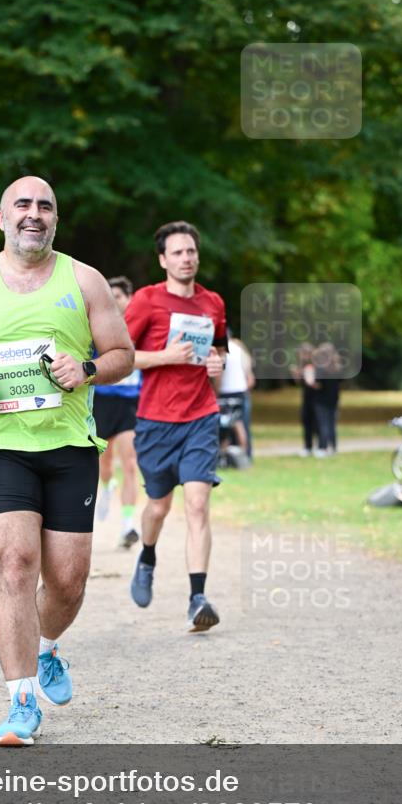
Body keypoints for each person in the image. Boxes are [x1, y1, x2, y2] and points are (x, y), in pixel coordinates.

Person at [0, 176, 134, 746]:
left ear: (55, 219)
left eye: (45, 206)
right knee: (15, 565)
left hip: (69, 446)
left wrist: (86, 369)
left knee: (67, 581)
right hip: (2, 446)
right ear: (2, 218)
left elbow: (123, 354)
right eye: (23, 204)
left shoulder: (84, 280)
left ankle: (46, 648)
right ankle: (20, 702)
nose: (34, 214)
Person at [125, 220, 227, 632]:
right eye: (178, 253)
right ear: (163, 260)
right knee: (159, 507)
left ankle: (197, 598)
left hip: (201, 415)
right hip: (155, 421)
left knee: (198, 504)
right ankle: (147, 555)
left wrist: (218, 362)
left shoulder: (213, 303)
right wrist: (164, 357)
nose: (186, 258)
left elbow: (219, 348)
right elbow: (120, 356)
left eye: (191, 251)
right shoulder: (146, 301)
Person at [94, 275, 142, 548]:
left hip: (129, 403)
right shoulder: (97, 326)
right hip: (102, 402)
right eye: (109, 297)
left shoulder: (141, 326)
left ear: (129, 298)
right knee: (104, 463)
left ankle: (127, 525)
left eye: (119, 296)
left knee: (130, 463)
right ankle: (107, 486)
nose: (114, 301)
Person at [216, 330, 254, 459]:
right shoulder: (240, 349)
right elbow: (250, 378)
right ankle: (245, 455)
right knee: (242, 424)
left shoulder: (221, 351)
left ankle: (225, 455)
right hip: (241, 391)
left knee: (228, 426)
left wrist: (216, 392)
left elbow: (218, 375)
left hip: (226, 392)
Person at [312, 343, 341, 457]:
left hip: (321, 400)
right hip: (334, 399)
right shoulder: (337, 368)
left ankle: (323, 448)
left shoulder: (321, 368)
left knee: (322, 424)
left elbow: (317, 384)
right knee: (331, 424)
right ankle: (333, 447)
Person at [291, 342, 318, 456]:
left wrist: (303, 373)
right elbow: (300, 383)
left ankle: (319, 446)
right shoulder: (302, 366)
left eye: (303, 354)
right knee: (306, 421)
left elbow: (313, 382)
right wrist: (297, 375)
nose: (301, 357)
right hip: (306, 397)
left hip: (316, 398)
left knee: (316, 423)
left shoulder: (316, 365)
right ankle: (308, 446)